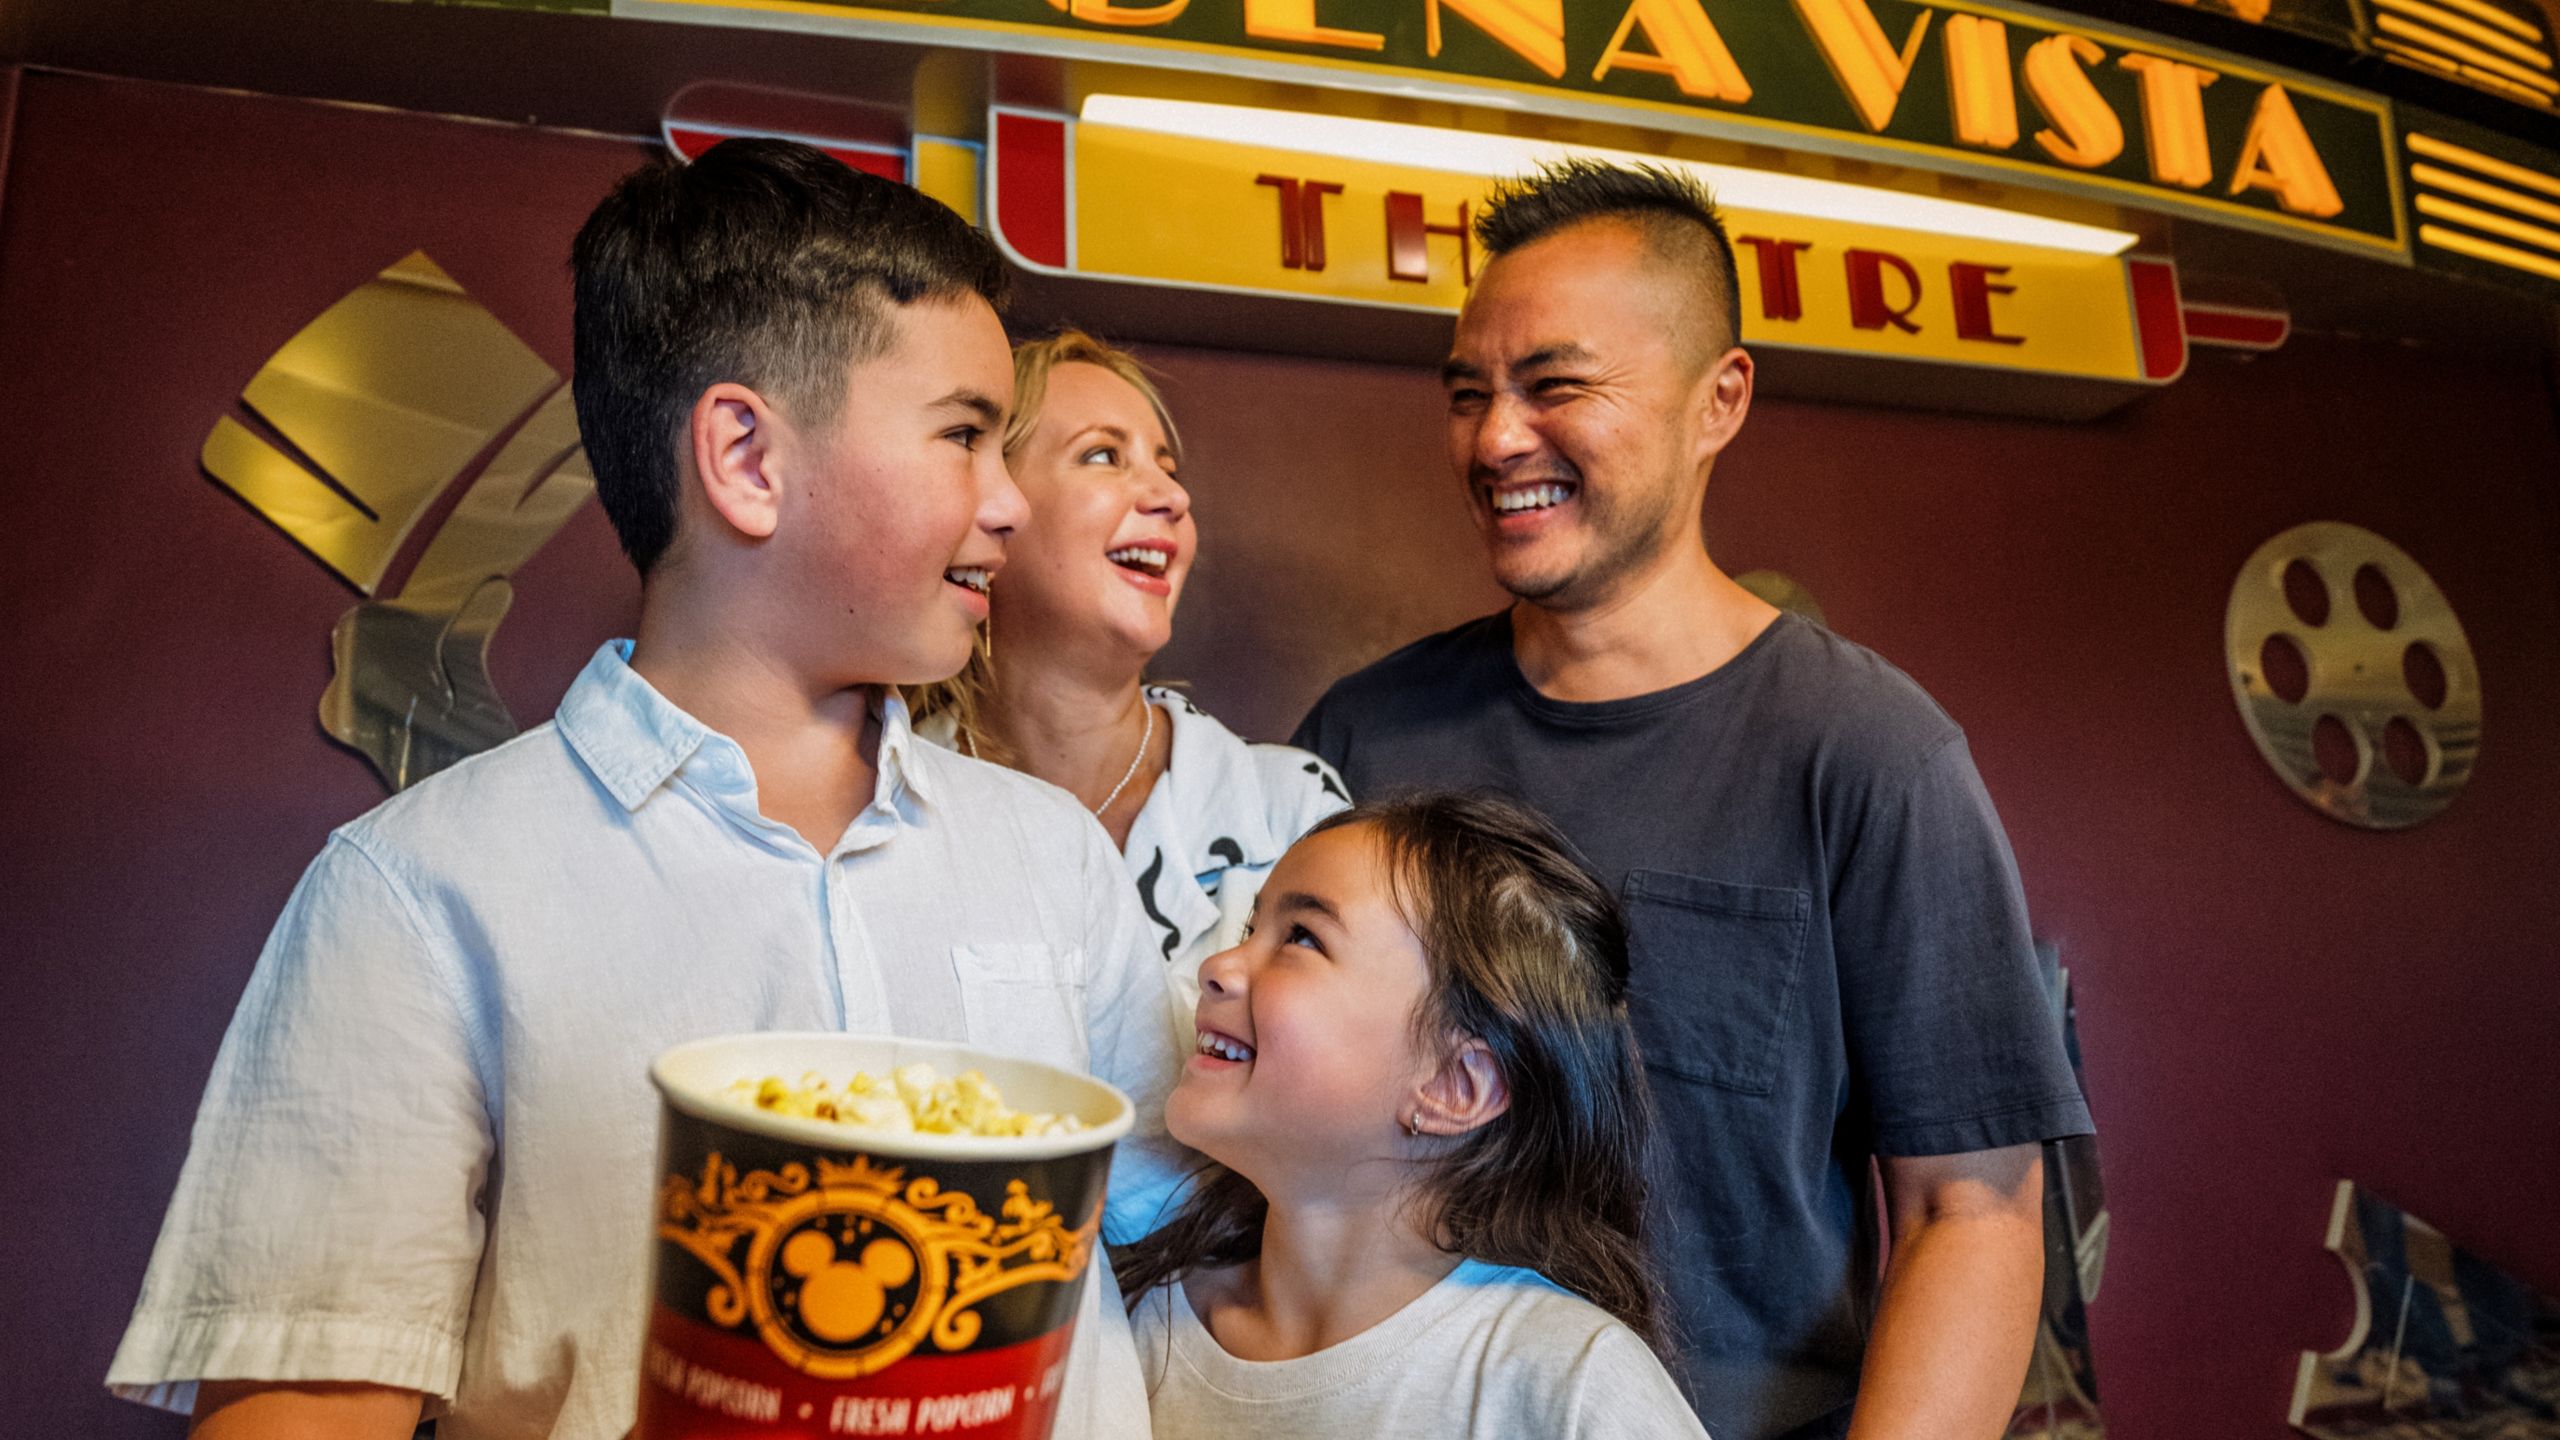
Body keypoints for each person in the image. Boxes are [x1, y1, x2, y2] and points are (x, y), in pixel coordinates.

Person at [105, 139, 1186, 1440]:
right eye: (965, 434)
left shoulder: (1050, 856)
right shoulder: (418, 891)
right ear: (745, 457)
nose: (1008, 502)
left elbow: (1202, 1234)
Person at [1291, 160, 2093, 1440]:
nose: (1497, 438)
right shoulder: (1362, 736)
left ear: (1716, 400)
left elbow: (1972, 1212)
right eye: (1468, 394)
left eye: (1554, 386)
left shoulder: (1868, 752)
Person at [1116, 793, 1709, 1439]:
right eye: (1247, 931)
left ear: (1455, 1086)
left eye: (1302, 938)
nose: (1217, 967)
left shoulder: (1566, 1380)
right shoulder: (1133, 1322)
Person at [911, 330, 1348, 1028]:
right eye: (1102, 455)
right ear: (993, 504)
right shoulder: (889, 800)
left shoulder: (1289, 815)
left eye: (1167, 466)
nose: (1170, 494)